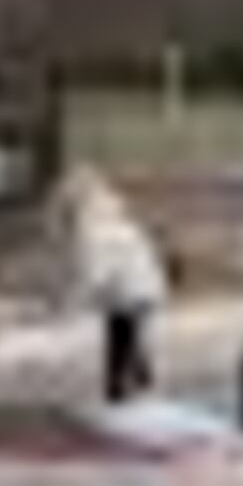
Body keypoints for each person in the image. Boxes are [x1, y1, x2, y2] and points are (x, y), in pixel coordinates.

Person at [65, 166, 171, 404]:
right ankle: (141, 378)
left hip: (128, 290)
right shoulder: (118, 221)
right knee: (131, 334)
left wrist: (80, 296)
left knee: (119, 337)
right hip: (143, 285)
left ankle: (118, 388)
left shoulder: (94, 230)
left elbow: (97, 271)